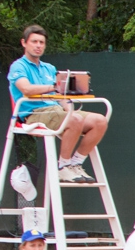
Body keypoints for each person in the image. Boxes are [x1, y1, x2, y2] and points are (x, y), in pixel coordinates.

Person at [7, 25, 111, 184]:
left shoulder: (49, 68)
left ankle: (75, 163)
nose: (38, 45)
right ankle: (63, 167)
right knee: (74, 120)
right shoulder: (18, 66)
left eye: (41, 42)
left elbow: (61, 96)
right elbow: (26, 89)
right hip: (34, 114)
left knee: (100, 121)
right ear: (24, 43)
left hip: (56, 111)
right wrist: (54, 88)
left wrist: (69, 108)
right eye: (34, 41)